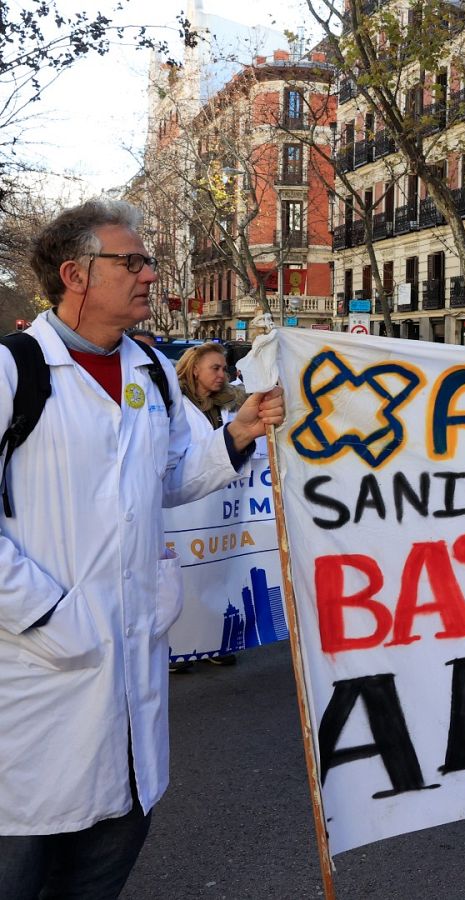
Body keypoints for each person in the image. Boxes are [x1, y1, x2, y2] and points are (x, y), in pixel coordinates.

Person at [0, 199, 284, 895]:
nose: (150, 275)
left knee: (109, 852)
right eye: (131, 262)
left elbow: (171, 478)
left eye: (147, 261)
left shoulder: (153, 372)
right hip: (34, 671)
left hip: (131, 667)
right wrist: (44, 615)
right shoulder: (14, 371)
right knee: (22, 866)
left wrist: (239, 433)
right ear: (75, 274)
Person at [173, 343, 252, 670]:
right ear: (194, 370)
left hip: (224, 506)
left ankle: (214, 641)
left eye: (225, 368)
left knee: (218, 573)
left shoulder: (232, 405)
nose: (223, 375)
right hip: (183, 509)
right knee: (183, 577)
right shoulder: (173, 405)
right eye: (215, 368)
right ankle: (178, 647)